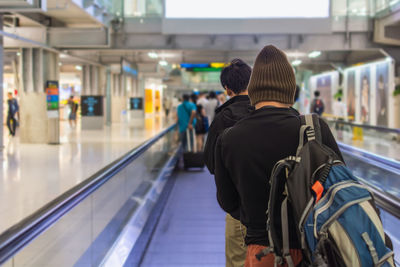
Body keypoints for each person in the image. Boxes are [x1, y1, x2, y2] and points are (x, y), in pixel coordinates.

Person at [214, 45, 343, 267]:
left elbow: (227, 201)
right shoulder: (314, 129)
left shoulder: (229, 138)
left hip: (261, 252)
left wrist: (254, 218)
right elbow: (339, 186)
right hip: (315, 251)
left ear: (254, 89)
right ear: (289, 89)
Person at [204, 58, 253, 267]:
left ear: (227, 88)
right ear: (251, 83)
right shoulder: (265, 112)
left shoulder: (222, 119)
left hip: (239, 210)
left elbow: (211, 163)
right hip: (274, 211)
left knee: (237, 260)